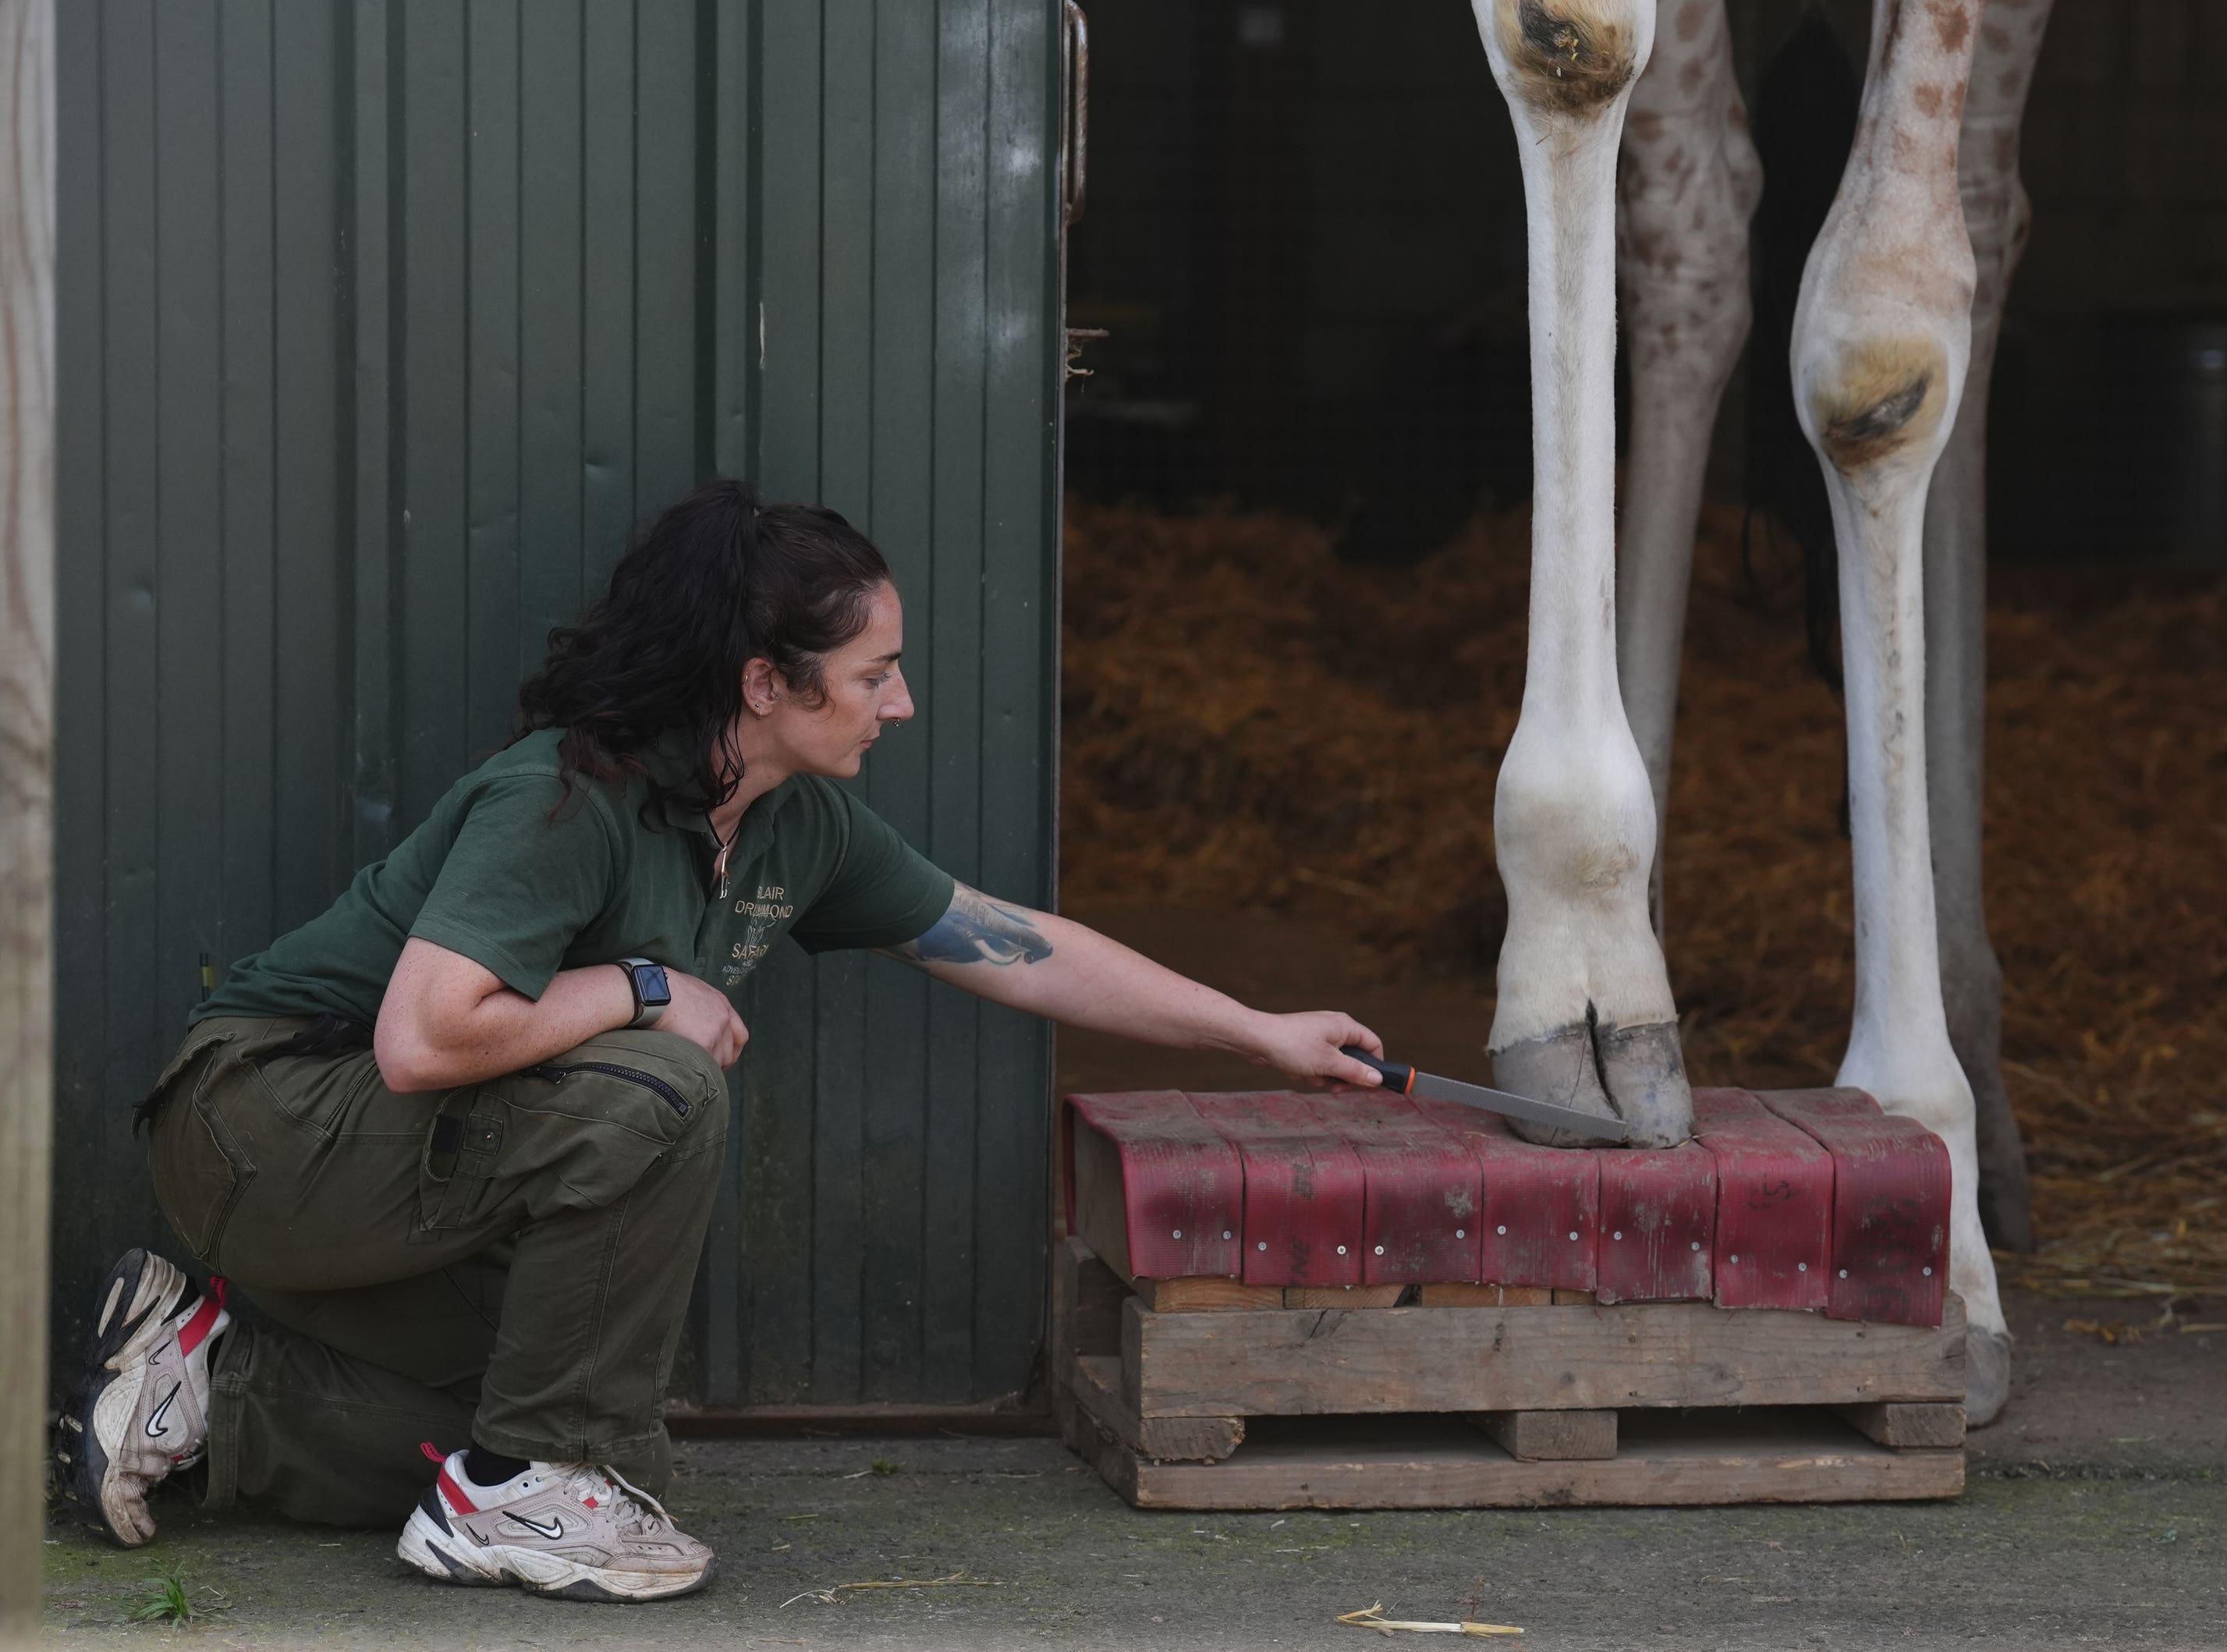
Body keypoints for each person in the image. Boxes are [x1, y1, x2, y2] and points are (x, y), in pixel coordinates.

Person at [61, 482, 1385, 1604]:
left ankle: (212, 1380)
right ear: (765, 682)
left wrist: (1258, 1032)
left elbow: (1009, 942)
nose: (903, 703)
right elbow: (419, 1039)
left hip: (377, 1169)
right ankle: (528, 1494)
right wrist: (643, 986)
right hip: (261, 1121)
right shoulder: (567, 796)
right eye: (874, 674)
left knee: (536, 1403)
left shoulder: (797, 822)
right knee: (666, 1085)